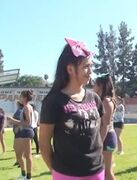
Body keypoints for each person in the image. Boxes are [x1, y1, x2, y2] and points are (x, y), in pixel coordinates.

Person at [39, 38, 105, 180]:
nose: (90, 71)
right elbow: (44, 144)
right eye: (86, 67)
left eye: (91, 66)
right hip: (66, 174)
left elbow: (102, 127)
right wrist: (57, 171)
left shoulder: (94, 98)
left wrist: (97, 152)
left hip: (97, 171)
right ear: (70, 69)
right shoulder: (53, 102)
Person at [93, 74, 117, 180]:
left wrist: (99, 143)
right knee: (104, 170)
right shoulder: (102, 100)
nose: (93, 87)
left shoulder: (106, 101)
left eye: (95, 84)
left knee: (107, 172)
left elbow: (106, 124)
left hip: (107, 138)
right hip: (105, 137)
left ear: (101, 86)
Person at [7, 90, 35, 180]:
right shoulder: (24, 107)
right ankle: (23, 174)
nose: (20, 98)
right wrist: (14, 123)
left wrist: (13, 121)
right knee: (18, 155)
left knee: (27, 155)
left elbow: (28, 122)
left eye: (21, 96)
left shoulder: (27, 107)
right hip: (20, 132)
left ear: (25, 98)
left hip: (26, 132)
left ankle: (29, 177)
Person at [12, 101, 24, 167]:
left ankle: (20, 161)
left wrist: (17, 127)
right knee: (16, 147)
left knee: (18, 147)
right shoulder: (20, 110)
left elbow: (21, 121)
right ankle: (18, 160)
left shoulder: (20, 111)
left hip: (19, 132)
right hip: (17, 132)